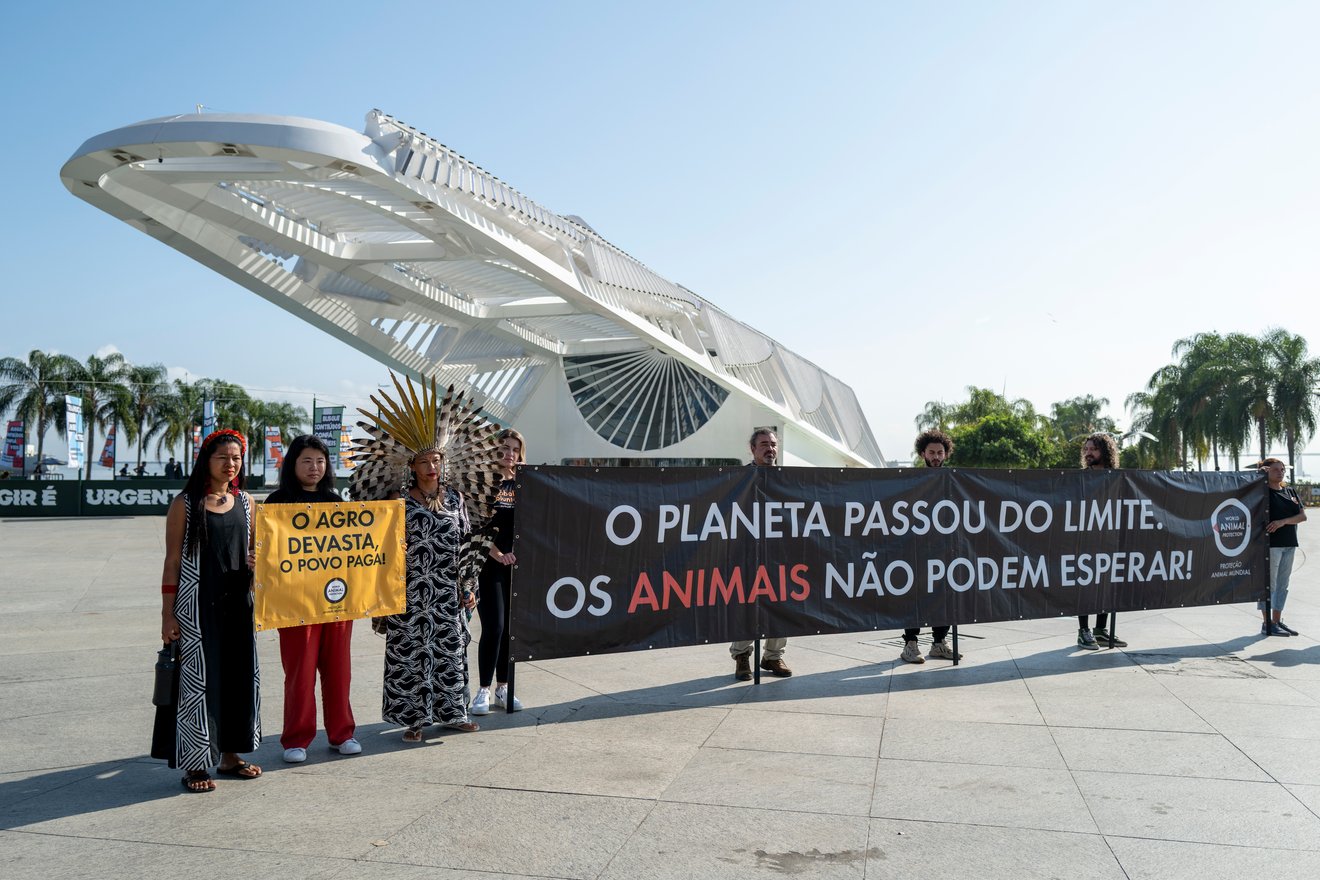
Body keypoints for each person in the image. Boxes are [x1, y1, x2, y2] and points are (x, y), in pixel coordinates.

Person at [348, 375, 504, 744]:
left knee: (450, 651)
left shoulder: (456, 500)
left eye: (436, 460)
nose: (432, 467)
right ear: (412, 467)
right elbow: (377, 547)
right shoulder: (397, 502)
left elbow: (466, 543)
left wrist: (469, 587)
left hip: (447, 588)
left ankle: (453, 712)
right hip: (408, 589)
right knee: (411, 654)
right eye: (424, 462)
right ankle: (413, 721)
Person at [158, 429, 261, 793]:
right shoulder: (185, 504)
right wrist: (167, 614)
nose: (230, 464)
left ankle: (230, 757)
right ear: (207, 460)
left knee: (237, 679)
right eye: (223, 457)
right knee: (199, 684)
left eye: (236, 458)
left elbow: (255, 552)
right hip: (196, 608)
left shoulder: (247, 503)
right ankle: (196, 764)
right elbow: (171, 562)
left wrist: (256, 562)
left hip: (238, 606)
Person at [265, 435, 360, 762]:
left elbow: (357, 548)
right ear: (292, 463)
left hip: (337, 603)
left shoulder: (337, 502)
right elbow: (265, 551)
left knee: (339, 671)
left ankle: (342, 733)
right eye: (307, 460)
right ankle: (296, 739)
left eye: (320, 461)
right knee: (300, 675)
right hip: (294, 606)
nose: (314, 467)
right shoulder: (276, 503)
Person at [471, 428, 526, 715]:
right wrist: (496, 552)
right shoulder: (483, 482)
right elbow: (474, 523)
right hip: (488, 563)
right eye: (504, 447)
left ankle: (504, 689)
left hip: (516, 565)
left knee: (509, 633)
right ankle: (482, 690)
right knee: (494, 626)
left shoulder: (526, 483)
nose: (509, 453)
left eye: (515, 449)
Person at [730, 428, 792, 680]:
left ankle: (772, 657)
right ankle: (742, 655)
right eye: (764, 444)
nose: (770, 449)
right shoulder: (738, 479)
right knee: (745, 605)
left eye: (773, 444)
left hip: (779, 554)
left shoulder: (788, 480)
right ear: (752, 449)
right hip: (746, 554)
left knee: (781, 604)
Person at [900, 430, 961, 664]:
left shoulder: (953, 480)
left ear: (946, 454)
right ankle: (910, 644)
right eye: (932, 452)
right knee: (914, 595)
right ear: (922, 453)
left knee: (944, 595)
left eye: (940, 452)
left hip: (944, 549)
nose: (936, 457)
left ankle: (939, 643)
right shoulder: (910, 480)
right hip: (915, 549)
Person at [1077, 433, 1127, 650]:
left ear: (1105, 452)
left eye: (1093, 449)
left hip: (1109, 541)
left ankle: (1101, 630)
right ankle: (1083, 631)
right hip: (1084, 541)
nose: (1088, 453)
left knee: (1107, 585)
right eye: (1086, 449)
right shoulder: (1078, 478)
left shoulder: (1117, 478)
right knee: (1084, 587)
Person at [1259, 458, 1306, 636]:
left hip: (1289, 543)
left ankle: (1276, 621)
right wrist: (1258, 476)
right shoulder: (1262, 492)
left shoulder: (1290, 491)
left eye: (1282, 469)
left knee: (1282, 585)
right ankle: (1267, 623)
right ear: (1266, 471)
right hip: (1271, 546)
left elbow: (1302, 516)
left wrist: (1282, 522)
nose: (1280, 472)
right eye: (1275, 469)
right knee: (1269, 585)